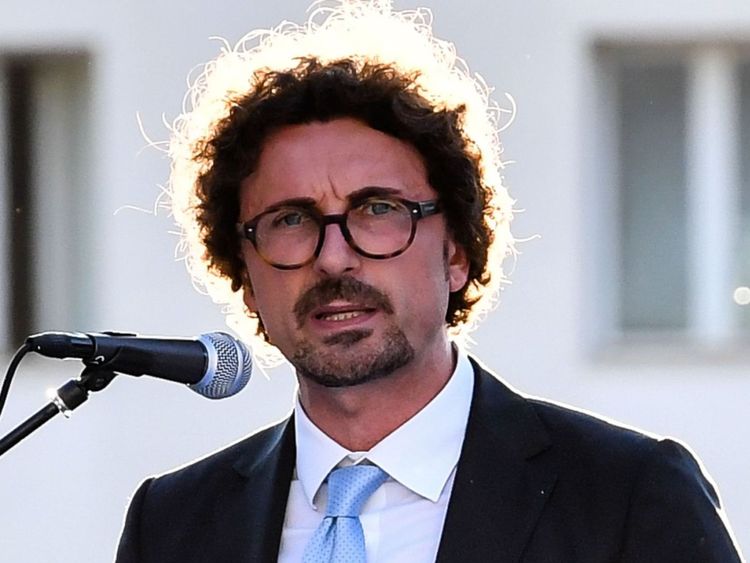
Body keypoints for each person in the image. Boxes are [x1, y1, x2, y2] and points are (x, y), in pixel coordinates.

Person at [116, 1, 743, 561]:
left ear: (458, 253)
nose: (334, 258)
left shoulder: (626, 494)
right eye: (290, 220)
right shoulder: (172, 525)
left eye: (378, 210)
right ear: (246, 277)